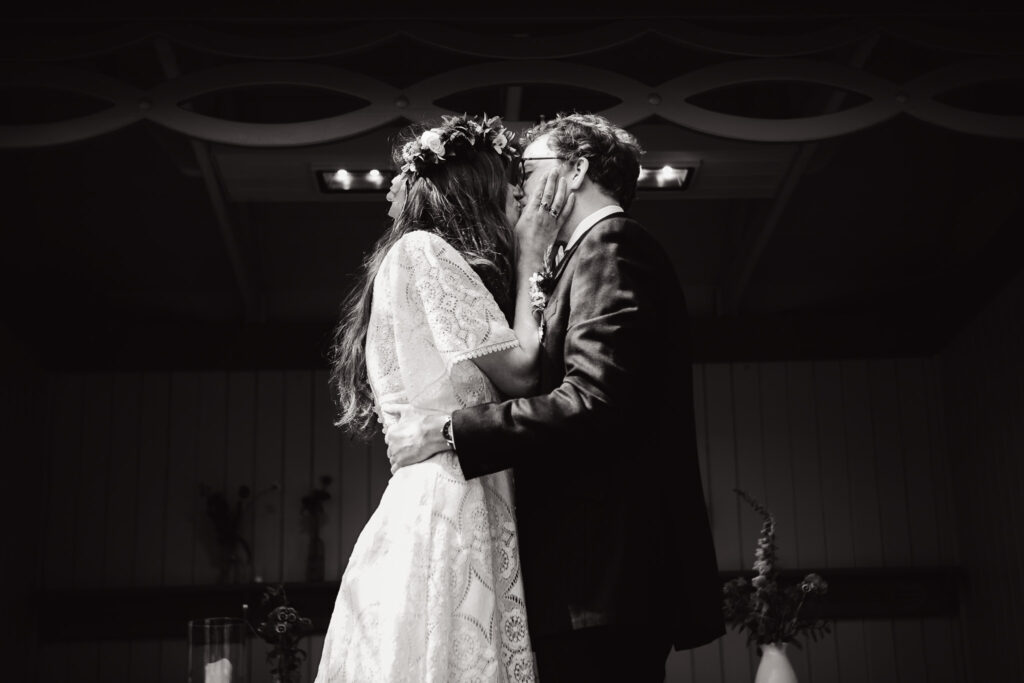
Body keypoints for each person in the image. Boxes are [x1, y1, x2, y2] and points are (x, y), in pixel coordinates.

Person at [384, 113, 726, 682]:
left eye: (528, 169)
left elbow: (592, 401)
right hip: (584, 585)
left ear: (576, 171)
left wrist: (449, 430)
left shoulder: (611, 246)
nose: (518, 187)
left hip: (601, 581)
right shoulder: (581, 258)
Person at [315, 113, 572, 683]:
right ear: (477, 193)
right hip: (451, 502)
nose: (520, 208)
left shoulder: (414, 257)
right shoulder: (424, 252)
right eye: (511, 194)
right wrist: (533, 256)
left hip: (458, 489)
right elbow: (522, 373)